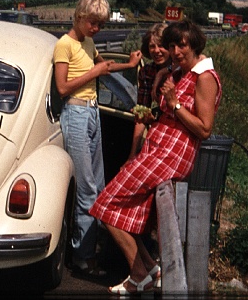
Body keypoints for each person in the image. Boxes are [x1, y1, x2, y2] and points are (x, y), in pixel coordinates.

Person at [89, 20, 221, 295]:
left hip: (172, 153)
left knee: (106, 205)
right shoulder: (179, 72)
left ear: (195, 45)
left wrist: (175, 104)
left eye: (181, 45)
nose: (175, 51)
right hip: (159, 149)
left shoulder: (205, 77)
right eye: (172, 45)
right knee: (123, 210)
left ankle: (140, 274)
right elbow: (165, 114)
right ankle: (148, 270)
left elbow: (204, 129)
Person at [54, 0, 142, 277]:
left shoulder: (88, 42)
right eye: (92, 23)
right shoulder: (64, 45)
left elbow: (105, 66)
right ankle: (83, 256)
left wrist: (128, 66)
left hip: (92, 112)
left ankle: (89, 246)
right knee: (87, 189)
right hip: (76, 113)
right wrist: (95, 72)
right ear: (79, 17)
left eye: (100, 25)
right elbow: (63, 88)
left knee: (98, 183)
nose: (96, 29)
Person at [126, 23, 170, 163]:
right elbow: (142, 114)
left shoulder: (181, 70)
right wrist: (132, 155)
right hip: (157, 132)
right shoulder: (146, 72)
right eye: (152, 46)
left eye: (161, 45)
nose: (156, 51)